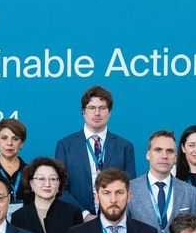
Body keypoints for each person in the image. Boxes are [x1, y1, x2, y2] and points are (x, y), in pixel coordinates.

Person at [53, 85, 135, 213]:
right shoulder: (65, 145)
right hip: (77, 218)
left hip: (115, 216)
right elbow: (60, 188)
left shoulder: (125, 146)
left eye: (102, 108)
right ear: (83, 111)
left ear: (110, 112)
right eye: (91, 108)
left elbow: (129, 187)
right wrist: (84, 214)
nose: (97, 113)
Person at [130, 130, 196, 233]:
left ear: (175, 157)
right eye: (158, 150)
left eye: (169, 151)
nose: (164, 156)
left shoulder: (190, 192)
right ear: (148, 154)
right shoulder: (130, 188)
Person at [11, 156, 85, 233]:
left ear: (59, 184)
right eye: (41, 179)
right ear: (31, 183)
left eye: (53, 179)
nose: (47, 184)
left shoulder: (73, 213)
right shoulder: (19, 216)